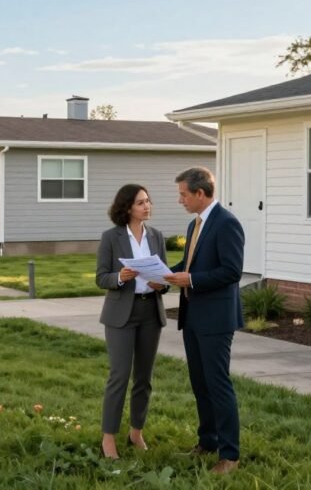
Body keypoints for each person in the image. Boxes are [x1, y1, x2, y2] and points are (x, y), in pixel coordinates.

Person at [163, 167, 245, 475]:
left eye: (183, 194)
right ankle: (207, 442)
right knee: (200, 383)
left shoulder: (227, 224)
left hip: (216, 318)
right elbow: (188, 264)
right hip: (192, 315)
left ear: (200, 193)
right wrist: (163, 276)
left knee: (217, 384)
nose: (180, 199)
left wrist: (192, 279)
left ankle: (230, 455)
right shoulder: (195, 223)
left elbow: (231, 271)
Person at [96, 184, 169, 460]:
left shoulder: (157, 236)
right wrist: (120, 278)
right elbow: (101, 277)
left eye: (148, 201)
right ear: (127, 207)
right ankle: (108, 438)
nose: (147, 206)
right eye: (141, 202)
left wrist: (161, 284)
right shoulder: (111, 237)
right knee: (119, 376)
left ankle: (136, 432)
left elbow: (167, 278)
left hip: (151, 312)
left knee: (144, 378)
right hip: (120, 315)